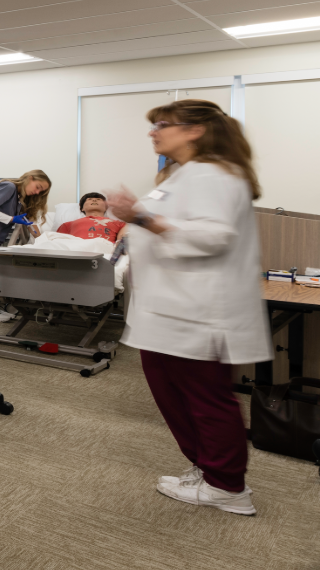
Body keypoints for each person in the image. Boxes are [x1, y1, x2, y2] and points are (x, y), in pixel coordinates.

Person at [105, 99, 269, 515]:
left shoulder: (214, 174)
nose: (153, 131)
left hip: (197, 311)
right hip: (169, 309)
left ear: (195, 129)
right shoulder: (182, 175)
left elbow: (214, 237)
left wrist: (139, 216)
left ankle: (228, 486)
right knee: (175, 394)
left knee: (206, 398)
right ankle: (207, 467)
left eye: (162, 124)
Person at [56, 192, 126, 243]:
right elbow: (58, 243)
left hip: (105, 251)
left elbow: (122, 243)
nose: (94, 200)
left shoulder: (121, 224)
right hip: (78, 250)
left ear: (105, 208)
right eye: (89, 199)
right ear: (82, 208)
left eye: (98, 199)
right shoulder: (68, 225)